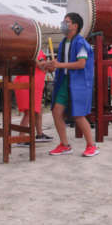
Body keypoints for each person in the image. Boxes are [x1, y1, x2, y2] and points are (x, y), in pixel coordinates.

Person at [45, 12, 98, 157]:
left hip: (80, 82)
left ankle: (92, 146)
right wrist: (51, 65)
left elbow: (82, 64)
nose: (63, 24)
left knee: (79, 115)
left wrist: (60, 65)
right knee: (56, 111)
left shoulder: (81, 43)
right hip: (65, 80)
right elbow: (61, 64)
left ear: (75, 25)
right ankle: (64, 145)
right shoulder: (63, 42)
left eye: (66, 21)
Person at [14, 49, 53, 143]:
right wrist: (50, 63)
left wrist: (51, 65)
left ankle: (39, 134)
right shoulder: (31, 50)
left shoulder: (40, 51)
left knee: (38, 110)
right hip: (27, 83)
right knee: (29, 112)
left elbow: (46, 68)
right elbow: (40, 65)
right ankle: (21, 138)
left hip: (36, 84)